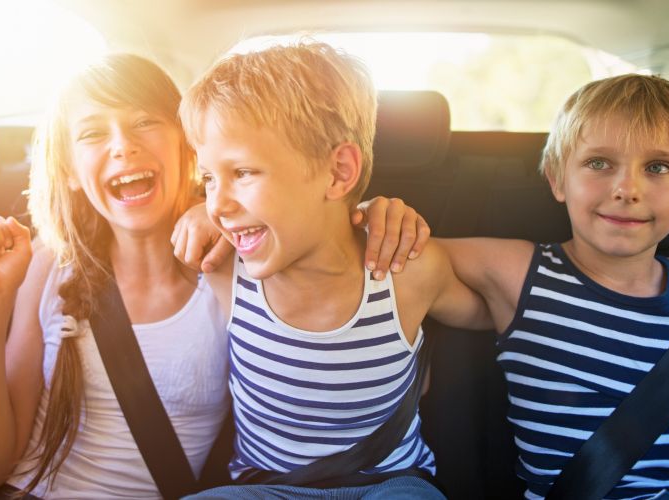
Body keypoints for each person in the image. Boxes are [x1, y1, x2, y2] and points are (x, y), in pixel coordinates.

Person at [0, 53, 430, 499]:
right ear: (70, 169)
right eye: (93, 134)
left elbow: (328, 266)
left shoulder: (244, 270)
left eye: (144, 123)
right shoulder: (50, 265)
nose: (122, 147)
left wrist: (367, 217)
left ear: (190, 148)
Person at [176, 41, 492, 498]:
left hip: (388, 485)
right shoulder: (225, 269)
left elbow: (493, 313)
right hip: (265, 488)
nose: (218, 204)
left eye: (243, 172)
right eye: (208, 178)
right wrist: (193, 214)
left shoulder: (405, 273)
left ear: (339, 173)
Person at [436, 74, 669, 498]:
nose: (627, 189)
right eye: (598, 163)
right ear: (557, 178)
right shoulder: (521, 275)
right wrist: (380, 214)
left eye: (658, 167)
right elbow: (404, 255)